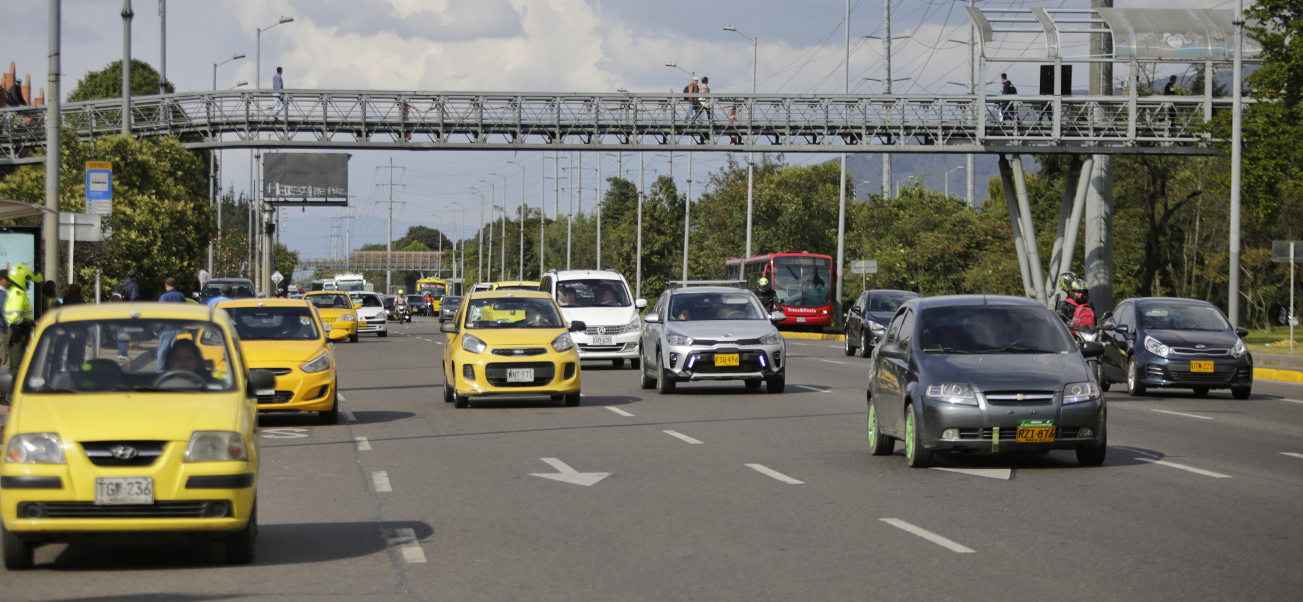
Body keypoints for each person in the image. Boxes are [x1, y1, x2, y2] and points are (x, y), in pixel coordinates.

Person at [4, 264, 41, 373]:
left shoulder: (16, 292)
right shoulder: (18, 295)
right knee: (18, 366)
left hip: (20, 333)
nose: (29, 284)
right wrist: (32, 323)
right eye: (27, 281)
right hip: (18, 335)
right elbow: (16, 318)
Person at [0, 270, 9, 381]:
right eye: (7, 279)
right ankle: (3, 391)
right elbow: (5, 314)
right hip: (1, 331)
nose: (9, 282)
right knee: (6, 362)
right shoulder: (3, 295)